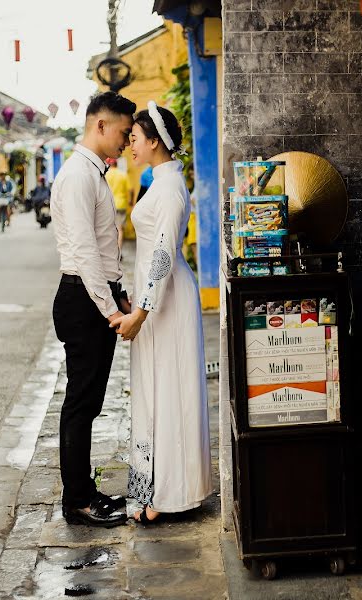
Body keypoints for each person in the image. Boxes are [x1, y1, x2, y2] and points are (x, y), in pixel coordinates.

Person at [110, 100, 211, 525]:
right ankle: (151, 492)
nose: (129, 144)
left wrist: (141, 313)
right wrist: (138, 302)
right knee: (153, 392)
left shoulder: (170, 188)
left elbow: (163, 255)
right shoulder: (160, 181)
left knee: (170, 393)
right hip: (156, 302)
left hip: (169, 303)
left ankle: (172, 495)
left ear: (154, 141)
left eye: (134, 138)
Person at [51, 91, 137, 527]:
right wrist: (109, 310)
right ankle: (78, 502)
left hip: (93, 296)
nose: (126, 140)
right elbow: (85, 254)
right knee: (80, 405)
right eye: (123, 131)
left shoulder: (93, 174)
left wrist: (119, 296)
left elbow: (103, 253)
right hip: (82, 300)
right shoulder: (78, 177)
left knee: (89, 403)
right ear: (100, 125)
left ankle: (84, 490)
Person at [104, 157, 133, 252]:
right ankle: (118, 252)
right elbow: (131, 190)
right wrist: (131, 201)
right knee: (119, 229)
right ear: (117, 164)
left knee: (108, 229)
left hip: (107, 204)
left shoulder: (105, 175)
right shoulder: (122, 174)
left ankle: (109, 252)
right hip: (121, 204)